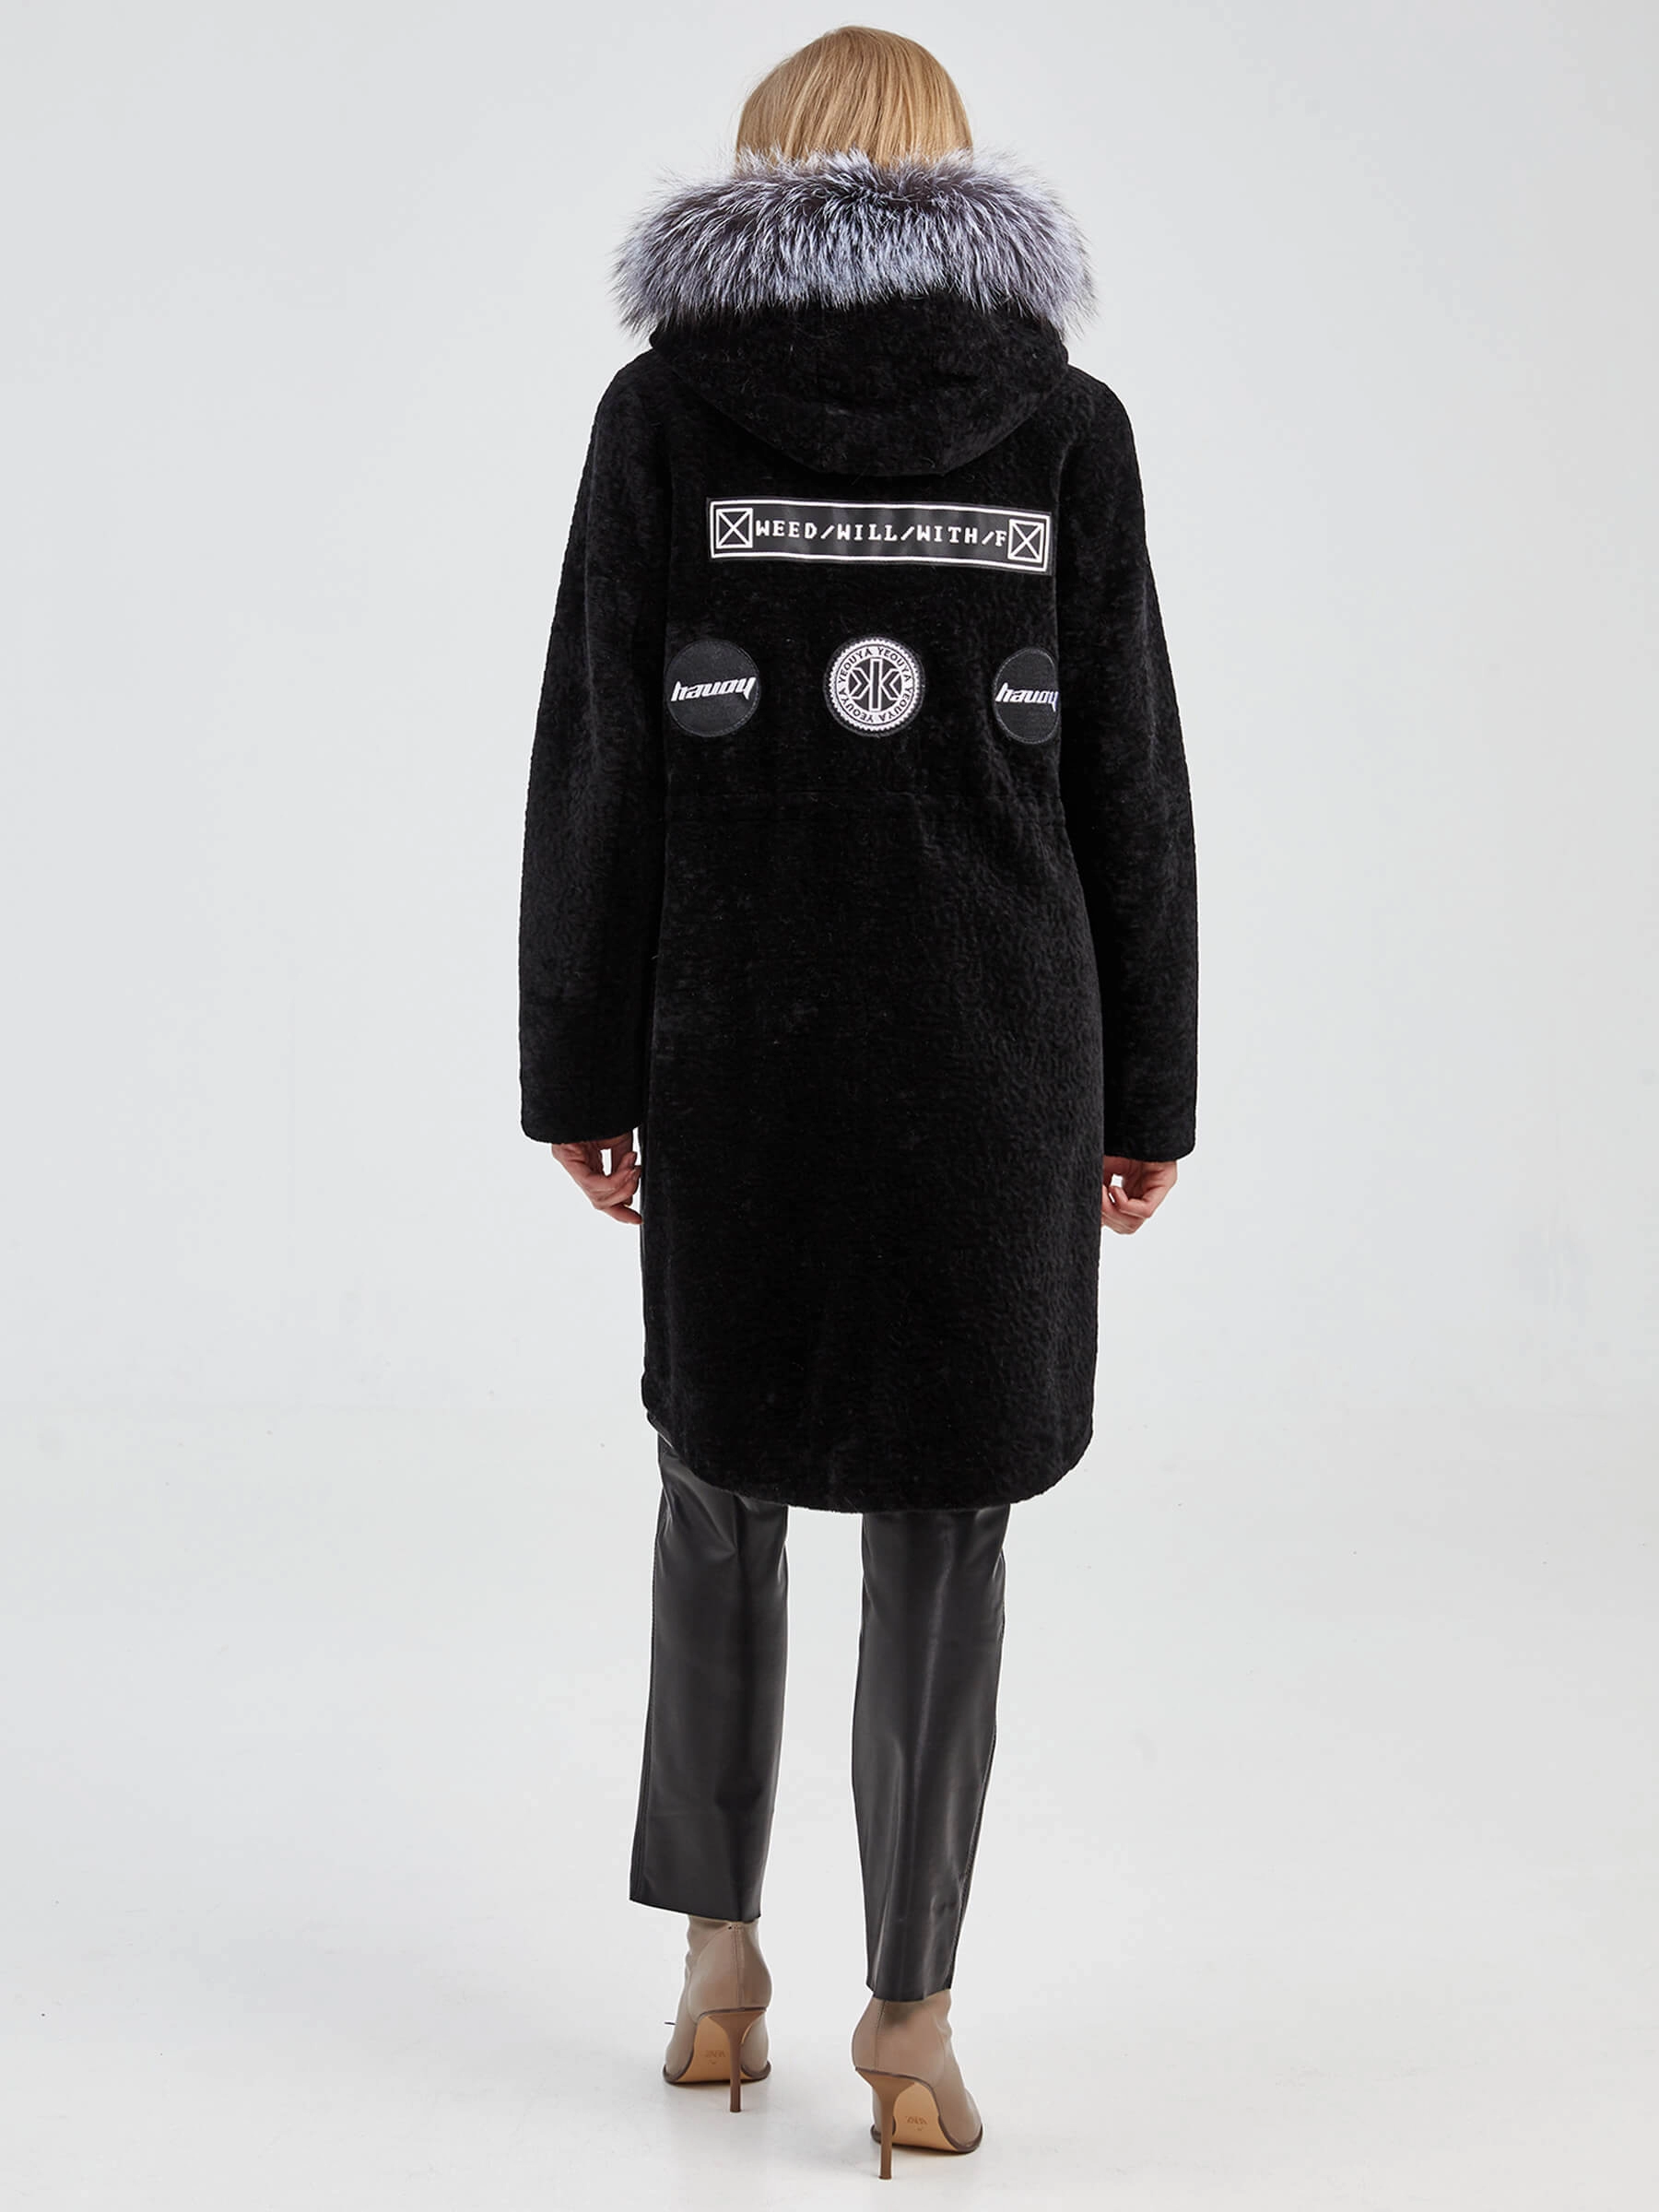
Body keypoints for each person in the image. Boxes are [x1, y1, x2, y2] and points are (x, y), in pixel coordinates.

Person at [517, 25, 1197, 2181]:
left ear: (763, 174)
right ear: (955, 176)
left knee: (719, 1485)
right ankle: (913, 2021)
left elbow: (600, 762)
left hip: (738, 1041)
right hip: (1002, 1047)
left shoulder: (661, 416)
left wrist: (577, 1063)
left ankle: (719, 1969)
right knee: (948, 1515)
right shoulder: (1064, 428)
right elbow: (1130, 784)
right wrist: (1151, 1087)